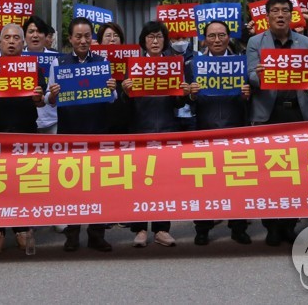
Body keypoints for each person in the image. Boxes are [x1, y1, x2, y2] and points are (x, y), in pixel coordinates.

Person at [245, 0, 308, 247]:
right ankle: (271, 225)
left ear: (291, 14)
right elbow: (251, 76)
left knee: (295, 172)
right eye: (274, 11)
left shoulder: (305, 42)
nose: (280, 15)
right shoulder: (256, 42)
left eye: (284, 10)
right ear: (267, 16)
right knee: (269, 172)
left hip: (297, 112)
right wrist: (260, 75)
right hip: (268, 112)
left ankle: (290, 223)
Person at [0, 24, 46, 255]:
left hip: (25, 130)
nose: (12, 42)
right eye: (7, 38)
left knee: (22, 181)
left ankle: (22, 228)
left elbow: (41, 102)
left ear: (23, 43)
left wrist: (38, 98)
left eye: (16, 38)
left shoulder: (32, 67)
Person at [46, 17, 118, 252]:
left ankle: (97, 234)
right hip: (70, 131)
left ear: (92, 38)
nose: (83, 40)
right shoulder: (60, 64)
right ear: (70, 39)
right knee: (72, 186)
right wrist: (53, 94)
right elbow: (49, 99)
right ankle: (72, 233)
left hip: (98, 131)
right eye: (78, 36)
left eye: (87, 36)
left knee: (99, 185)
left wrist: (112, 89)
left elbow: (112, 99)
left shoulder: (102, 62)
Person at [123, 20, 187, 248]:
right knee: (139, 181)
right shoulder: (134, 66)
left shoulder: (173, 65)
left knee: (163, 181)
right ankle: (139, 228)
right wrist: (126, 92)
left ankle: (162, 229)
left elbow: (179, 103)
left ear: (165, 40)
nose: (155, 41)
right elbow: (125, 107)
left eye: (159, 37)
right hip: (141, 129)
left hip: (167, 128)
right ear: (144, 41)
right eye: (150, 37)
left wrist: (184, 91)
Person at [186, 20, 251, 245]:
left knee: (238, 181)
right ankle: (202, 228)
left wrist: (246, 94)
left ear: (228, 37)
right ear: (204, 39)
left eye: (221, 35)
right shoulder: (194, 65)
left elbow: (253, 95)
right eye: (212, 36)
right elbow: (184, 99)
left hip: (235, 128)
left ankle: (239, 226)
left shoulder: (240, 64)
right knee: (204, 183)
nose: (217, 40)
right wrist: (191, 94)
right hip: (205, 128)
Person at [24, 15, 59, 134]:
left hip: (52, 119)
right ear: (24, 36)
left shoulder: (58, 59)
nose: (35, 35)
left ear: (45, 36)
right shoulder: (17, 59)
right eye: (31, 32)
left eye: (39, 32)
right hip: (26, 120)